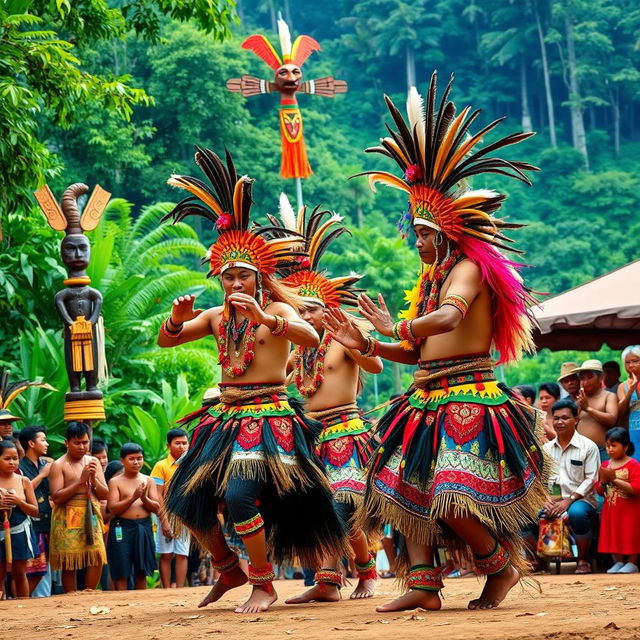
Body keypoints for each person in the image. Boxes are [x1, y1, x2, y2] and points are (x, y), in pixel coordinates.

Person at [325, 72, 548, 612]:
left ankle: (503, 566)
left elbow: (448, 321)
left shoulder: (468, 269)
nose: (417, 239)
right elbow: (418, 351)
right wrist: (370, 344)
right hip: (426, 398)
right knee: (401, 490)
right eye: (416, 230)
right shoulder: (428, 278)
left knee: (450, 495)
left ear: (449, 232)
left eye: (424, 232)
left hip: (470, 397)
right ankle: (423, 585)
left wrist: (391, 328)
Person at [158, 147, 346, 613]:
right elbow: (167, 343)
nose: (235, 285)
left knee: (241, 497)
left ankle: (264, 583)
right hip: (225, 417)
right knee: (182, 496)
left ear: (259, 277)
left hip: (268, 416)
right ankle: (228, 569)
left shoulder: (278, 309)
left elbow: (307, 335)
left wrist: (266, 316)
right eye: (228, 278)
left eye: (243, 276)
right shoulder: (218, 316)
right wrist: (177, 318)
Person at [271, 203, 382, 603]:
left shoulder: (342, 339)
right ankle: (328, 581)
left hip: (346, 432)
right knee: (313, 508)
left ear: (327, 309)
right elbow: (277, 379)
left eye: (313, 308)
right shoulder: (298, 351)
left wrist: (359, 340)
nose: (307, 315)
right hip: (310, 434)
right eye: (300, 309)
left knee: (343, 505)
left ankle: (367, 574)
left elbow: (376, 364)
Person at [540, 399, 599, 574]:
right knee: (525, 516)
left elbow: (591, 479)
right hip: (551, 500)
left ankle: (583, 560)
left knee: (577, 514)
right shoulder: (546, 449)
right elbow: (540, 480)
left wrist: (569, 500)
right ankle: (538, 562)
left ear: (576, 419)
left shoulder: (588, 447)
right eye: (556, 418)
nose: (559, 422)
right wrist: (545, 500)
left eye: (565, 418)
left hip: (581, 500)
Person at [48, 422, 108, 592]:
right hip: (66, 515)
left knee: (97, 555)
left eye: (85, 442)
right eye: (77, 443)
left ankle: (89, 593)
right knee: (70, 560)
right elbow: (57, 497)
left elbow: (105, 494)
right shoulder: (58, 465)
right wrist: (80, 482)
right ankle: (71, 597)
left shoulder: (93, 461)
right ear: (67, 443)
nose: (82, 447)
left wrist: (94, 480)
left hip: (91, 512)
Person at [106, 443, 159, 590]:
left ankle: (141, 606)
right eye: (132, 459)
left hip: (143, 526)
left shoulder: (148, 480)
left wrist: (144, 499)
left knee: (141, 570)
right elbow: (113, 508)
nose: (136, 462)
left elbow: (157, 507)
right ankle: (122, 603)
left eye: (139, 458)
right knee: (121, 568)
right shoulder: (115, 482)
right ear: (122, 461)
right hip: (122, 527)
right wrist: (133, 497)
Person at [596, 427, 640, 574]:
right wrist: (603, 482)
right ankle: (619, 561)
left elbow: (636, 489)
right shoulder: (604, 465)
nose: (609, 449)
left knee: (630, 534)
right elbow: (599, 491)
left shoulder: (633, 464)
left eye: (614, 445)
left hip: (630, 509)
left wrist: (614, 479)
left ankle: (632, 562)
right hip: (611, 509)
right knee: (613, 534)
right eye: (607, 445)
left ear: (626, 446)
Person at [150, 427, 190, 588]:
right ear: (168, 445)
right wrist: (164, 520)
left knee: (182, 553)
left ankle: (179, 589)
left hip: (184, 514)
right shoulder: (161, 466)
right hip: (164, 513)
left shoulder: (190, 464)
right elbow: (157, 495)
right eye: (177, 443)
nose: (182, 447)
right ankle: (166, 588)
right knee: (165, 553)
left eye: (185, 443)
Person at [0, 439, 39, 598]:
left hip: (20, 530)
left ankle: (24, 605)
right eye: (7, 458)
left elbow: (35, 511)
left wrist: (19, 502)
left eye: (15, 458)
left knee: (19, 572)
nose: (12, 462)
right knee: (0, 572)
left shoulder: (24, 481)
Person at [18, 426, 52, 596]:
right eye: (43, 440)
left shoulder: (45, 464)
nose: (47, 443)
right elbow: (23, 491)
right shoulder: (20, 466)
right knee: (35, 570)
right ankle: (26, 601)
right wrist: (42, 475)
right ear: (31, 443)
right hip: (32, 523)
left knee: (44, 569)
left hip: (48, 521)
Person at [575, 359, 618, 460]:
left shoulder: (609, 396)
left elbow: (612, 419)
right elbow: (573, 422)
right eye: (582, 378)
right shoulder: (580, 399)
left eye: (590, 377)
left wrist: (588, 409)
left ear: (601, 377)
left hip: (602, 451)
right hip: (581, 451)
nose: (585, 382)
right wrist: (580, 407)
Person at [617, 346, 640, 459]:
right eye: (627, 362)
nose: (630, 365)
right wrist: (630, 390)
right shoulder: (623, 386)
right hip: (633, 431)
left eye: (635, 361)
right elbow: (621, 412)